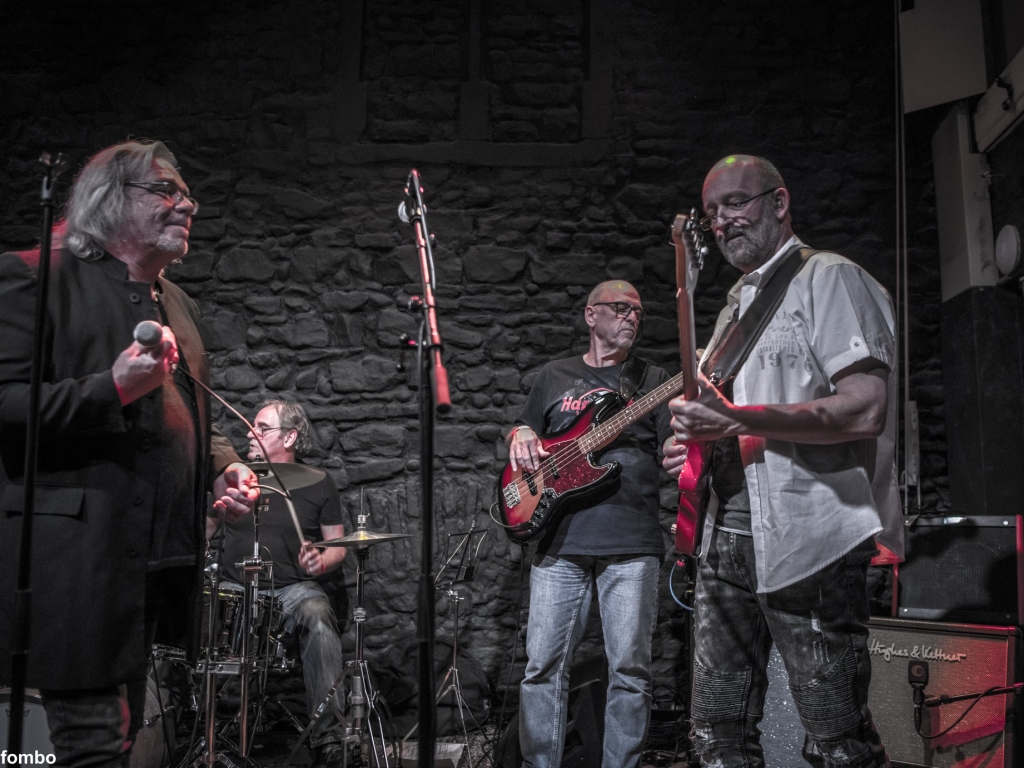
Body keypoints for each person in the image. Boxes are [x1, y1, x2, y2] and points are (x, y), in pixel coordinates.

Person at [0, 139, 259, 767]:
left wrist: (223, 467)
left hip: (154, 562)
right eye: (166, 190)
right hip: (75, 565)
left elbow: (192, 412)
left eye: (187, 195)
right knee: (93, 747)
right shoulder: (35, 277)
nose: (186, 205)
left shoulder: (178, 303)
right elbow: (4, 406)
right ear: (109, 199)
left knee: (119, 741)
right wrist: (110, 388)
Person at [664, 155, 903, 768]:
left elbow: (865, 409)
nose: (722, 221)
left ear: (779, 202)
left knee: (836, 742)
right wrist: (694, 447)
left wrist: (737, 421)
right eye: (712, 212)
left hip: (811, 541)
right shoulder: (733, 309)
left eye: (735, 203)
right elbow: (726, 417)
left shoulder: (831, 279)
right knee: (716, 737)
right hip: (724, 538)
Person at [508, 280, 673, 768]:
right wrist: (519, 433)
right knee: (542, 669)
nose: (631, 317)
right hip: (560, 542)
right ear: (591, 315)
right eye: (621, 308)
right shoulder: (554, 375)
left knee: (630, 672)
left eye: (638, 312)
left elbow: (672, 445)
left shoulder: (654, 379)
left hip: (631, 541)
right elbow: (524, 428)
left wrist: (679, 452)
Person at [208, 399, 348, 767]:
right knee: (199, 610)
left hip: (292, 589)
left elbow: (338, 545)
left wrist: (321, 560)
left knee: (318, 615)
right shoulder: (236, 479)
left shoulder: (319, 482)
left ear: (289, 438)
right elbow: (203, 532)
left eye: (262, 427)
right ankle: (199, 727)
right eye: (251, 426)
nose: (250, 434)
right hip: (234, 586)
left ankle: (329, 740)